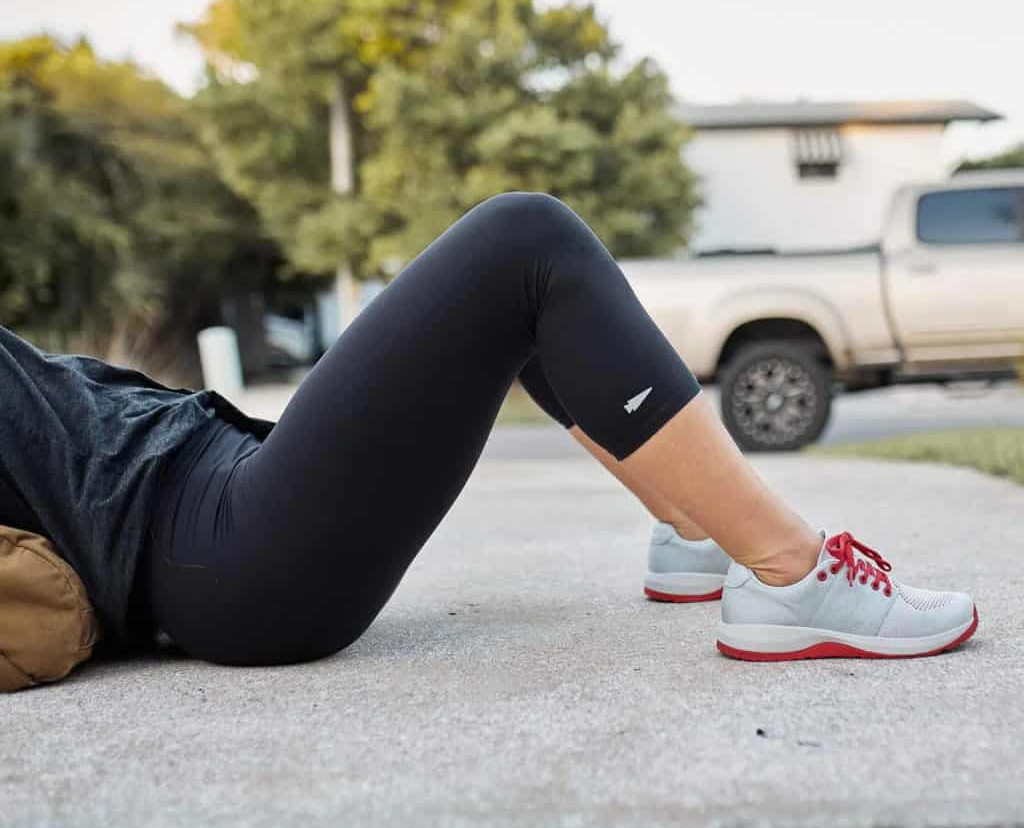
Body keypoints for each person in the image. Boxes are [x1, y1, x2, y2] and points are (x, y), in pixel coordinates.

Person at [0, 192, 977, 668]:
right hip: (221, 559)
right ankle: (792, 576)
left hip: (222, 492)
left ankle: (695, 536)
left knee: (503, 303)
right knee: (525, 244)